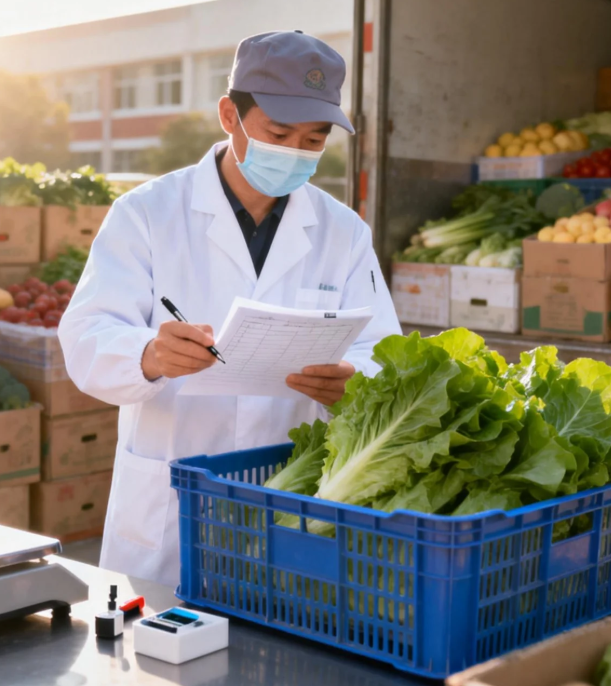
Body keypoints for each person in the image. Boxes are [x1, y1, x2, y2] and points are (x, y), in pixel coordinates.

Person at [58, 31, 401, 586]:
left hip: (290, 492)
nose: (294, 151)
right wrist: (148, 353)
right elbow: (86, 336)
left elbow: (381, 349)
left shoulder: (344, 232)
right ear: (229, 114)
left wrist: (355, 379)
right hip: (170, 499)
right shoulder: (146, 213)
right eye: (278, 132)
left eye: (313, 140)